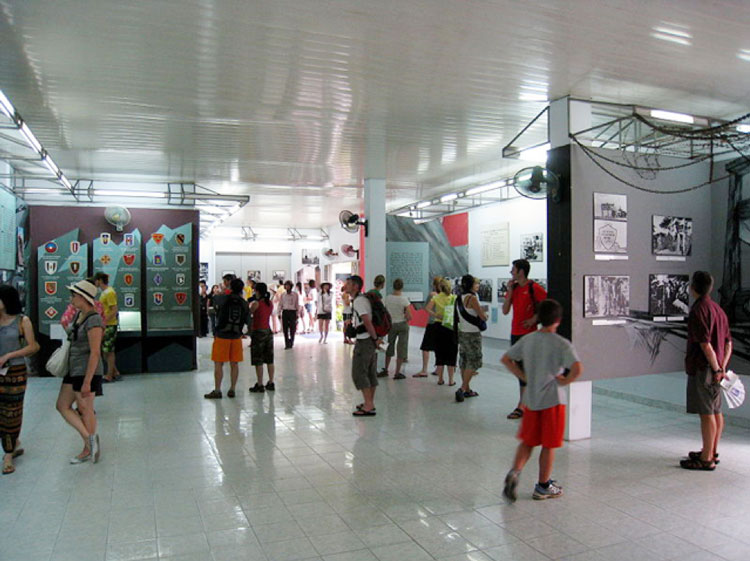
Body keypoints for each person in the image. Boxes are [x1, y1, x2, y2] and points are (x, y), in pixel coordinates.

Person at [501, 299, 582, 501]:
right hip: (552, 400)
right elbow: (578, 368)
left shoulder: (528, 340)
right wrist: (565, 381)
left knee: (528, 441)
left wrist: (523, 377)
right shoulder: (561, 343)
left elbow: (506, 359)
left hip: (531, 399)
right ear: (558, 320)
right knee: (548, 444)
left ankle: (515, 472)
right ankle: (543, 485)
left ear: (538, 317)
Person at [680, 271, 732, 471]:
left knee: (706, 413)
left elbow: (705, 344)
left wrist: (716, 367)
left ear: (693, 287)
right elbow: (728, 343)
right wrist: (722, 367)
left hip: (704, 368)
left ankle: (706, 459)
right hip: (717, 369)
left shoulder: (699, 310)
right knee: (716, 411)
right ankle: (711, 451)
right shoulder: (718, 310)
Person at [56, 280, 104, 464]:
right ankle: (89, 440)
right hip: (74, 367)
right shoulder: (78, 316)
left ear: (83, 297)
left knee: (85, 408)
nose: (71, 298)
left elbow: (95, 352)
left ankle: (88, 446)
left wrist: (87, 381)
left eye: (74, 295)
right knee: (62, 405)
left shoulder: (94, 320)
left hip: (86, 370)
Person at [0, 285, 39, 474]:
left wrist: (9, 356)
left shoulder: (22, 321)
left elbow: (33, 346)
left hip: (14, 373)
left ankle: (8, 454)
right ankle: (13, 442)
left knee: (11, 414)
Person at [502, 258, 547, 419]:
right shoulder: (514, 288)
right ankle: (526, 403)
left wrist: (534, 319)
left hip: (529, 335)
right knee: (520, 369)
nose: (511, 272)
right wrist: (509, 292)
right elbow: (505, 311)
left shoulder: (534, 288)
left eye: (513, 269)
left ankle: (523, 405)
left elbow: (548, 307)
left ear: (521, 271)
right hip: (515, 333)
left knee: (527, 369)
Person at [205, 278, 249, 399]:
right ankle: (232, 389)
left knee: (218, 363)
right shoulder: (244, 303)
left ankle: (218, 390)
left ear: (230, 287)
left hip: (222, 336)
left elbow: (214, 300)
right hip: (236, 337)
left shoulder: (222, 298)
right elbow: (247, 320)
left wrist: (224, 291)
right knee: (234, 364)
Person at [347, 275, 381, 416]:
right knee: (370, 372)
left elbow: (367, 321)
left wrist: (374, 338)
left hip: (365, 341)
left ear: (355, 286)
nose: (346, 286)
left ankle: (368, 405)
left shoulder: (359, 302)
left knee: (359, 373)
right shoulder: (361, 300)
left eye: (348, 284)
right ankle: (369, 402)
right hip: (369, 340)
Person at [455, 275, 487, 402]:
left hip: (462, 332)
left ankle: (467, 389)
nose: (477, 285)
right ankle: (462, 389)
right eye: (476, 283)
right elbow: (482, 316)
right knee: (474, 361)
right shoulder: (472, 298)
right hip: (473, 334)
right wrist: (486, 316)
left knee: (464, 359)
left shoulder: (459, 298)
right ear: (470, 285)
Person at [425, 278, 457, 386]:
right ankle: (451, 380)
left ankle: (440, 379)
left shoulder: (436, 297)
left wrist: (435, 315)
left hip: (438, 326)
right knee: (451, 353)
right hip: (450, 326)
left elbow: (427, 308)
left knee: (440, 352)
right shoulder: (454, 298)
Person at [249, 283, 276, 393]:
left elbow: (249, 312)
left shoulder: (256, 303)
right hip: (268, 331)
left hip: (258, 332)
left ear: (258, 291)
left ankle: (259, 384)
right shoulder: (269, 303)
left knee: (258, 359)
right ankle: (271, 382)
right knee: (269, 358)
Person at [383, 278, 412, 379]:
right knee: (401, 348)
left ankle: (386, 369)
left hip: (391, 325)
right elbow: (409, 316)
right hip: (402, 324)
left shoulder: (388, 298)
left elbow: (385, 311)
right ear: (402, 287)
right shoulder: (404, 299)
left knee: (389, 346)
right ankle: (397, 372)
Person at [94, 272, 120, 383]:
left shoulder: (109, 293)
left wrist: (104, 322)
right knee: (105, 351)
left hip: (110, 325)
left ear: (99, 280)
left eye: (96, 280)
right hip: (106, 324)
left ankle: (109, 375)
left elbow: (114, 310)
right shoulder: (104, 293)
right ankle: (115, 372)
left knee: (108, 351)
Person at [414, 276, 442, 377]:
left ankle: (424, 369)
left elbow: (426, 307)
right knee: (440, 347)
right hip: (442, 324)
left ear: (434, 285)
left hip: (432, 323)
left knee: (426, 347)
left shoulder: (433, 295)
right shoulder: (446, 296)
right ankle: (439, 369)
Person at [280, 280, 299, 349]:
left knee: (292, 328)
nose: (287, 287)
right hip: (285, 311)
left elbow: (297, 304)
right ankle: (286, 343)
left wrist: (297, 313)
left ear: (291, 286)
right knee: (285, 328)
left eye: (288, 285)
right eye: (286, 285)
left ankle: (291, 341)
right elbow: (280, 304)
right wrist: (279, 312)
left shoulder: (295, 295)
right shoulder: (283, 295)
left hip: (292, 312)